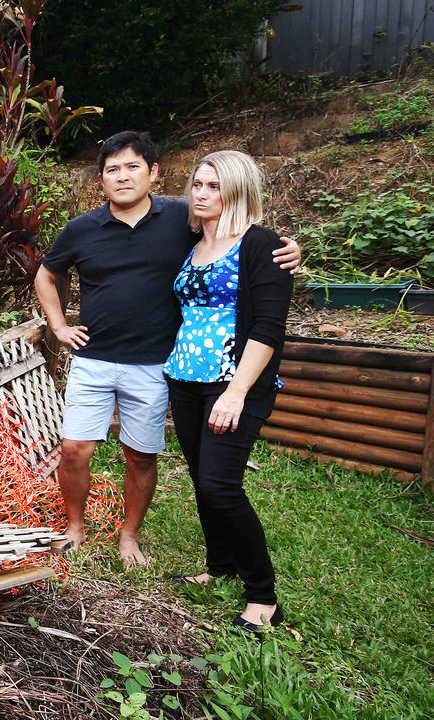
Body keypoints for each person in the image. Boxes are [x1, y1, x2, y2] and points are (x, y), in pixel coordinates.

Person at [34, 131, 300, 565]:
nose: (122, 177)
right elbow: (46, 274)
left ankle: (129, 536)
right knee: (73, 450)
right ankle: (74, 527)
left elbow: (240, 235)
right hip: (94, 359)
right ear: (100, 179)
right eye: (112, 170)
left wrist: (289, 249)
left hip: (156, 364)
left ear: (153, 172)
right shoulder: (81, 229)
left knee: (140, 455)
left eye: (132, 166)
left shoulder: (183, 218)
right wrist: (59, 325)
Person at [165, 150, 292, 630]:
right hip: (185, 378)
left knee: (221, 485)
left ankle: (263, 595)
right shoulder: (191, 242)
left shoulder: (262, 245)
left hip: (234, 383)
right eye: (197, 184)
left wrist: (237, 391)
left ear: (237, 190)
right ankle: (220, 566)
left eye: (213, 186)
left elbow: (268, 327)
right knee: (202, 478)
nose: (200, 193)